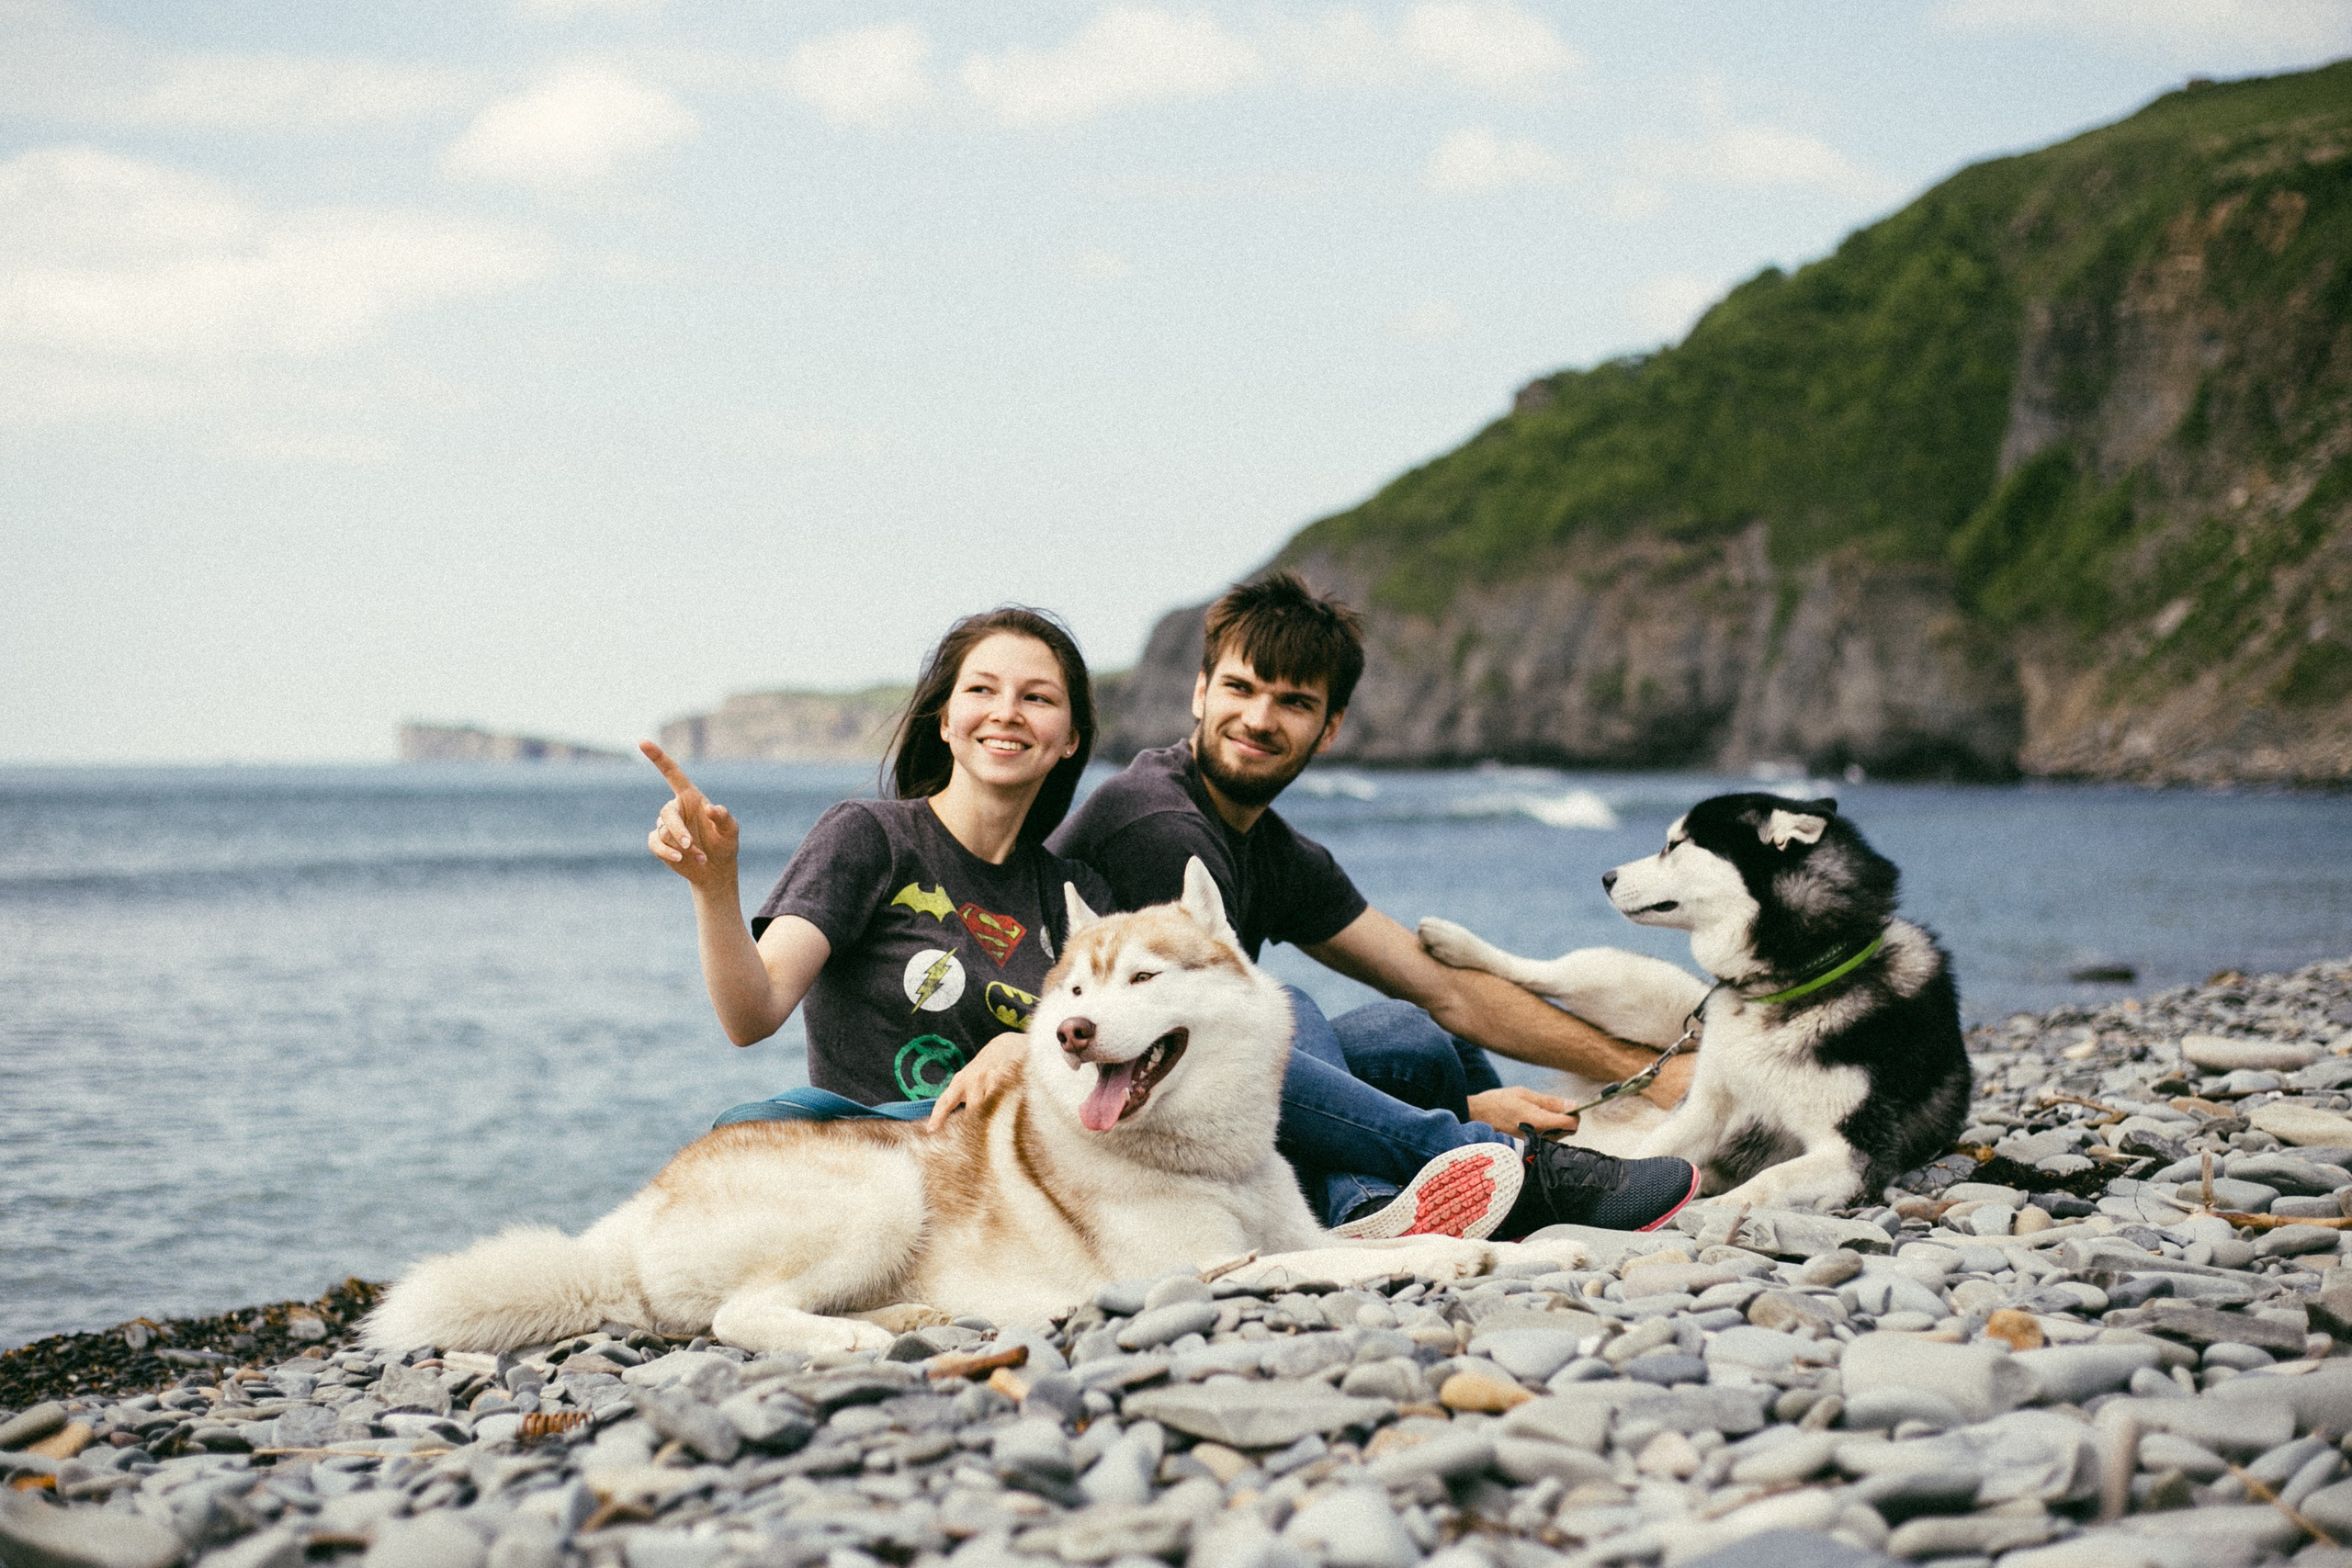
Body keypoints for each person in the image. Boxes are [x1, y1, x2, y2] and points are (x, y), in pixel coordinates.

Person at [933, 573, 1701, 1241]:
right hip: (1097, 1113)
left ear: (1328, 728)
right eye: (1240, 689)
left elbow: (1442, 986)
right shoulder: (1159, 826)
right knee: (1294, 1005)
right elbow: (1193, 1058)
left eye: (1293, 702)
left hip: (1167, 1087)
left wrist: (1641, 1072)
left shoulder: (1272, 846)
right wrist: (1475, 1112)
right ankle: (1428, 1184)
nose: (1260, 718)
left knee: (1417, 1033)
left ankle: (1471, 1172)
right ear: (1200, 693)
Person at [643, 606, 1114, 1119]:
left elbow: (1118, 1047)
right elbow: (752, 1014)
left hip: (1016, 1184)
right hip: (876, 1173)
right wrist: (714, 888)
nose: (1007, 712)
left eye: (1037, 697)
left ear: (1070, 738)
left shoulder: (1079, 895)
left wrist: (1025, 1050)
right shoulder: (869, 839)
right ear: (945, 721)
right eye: (981, 690)